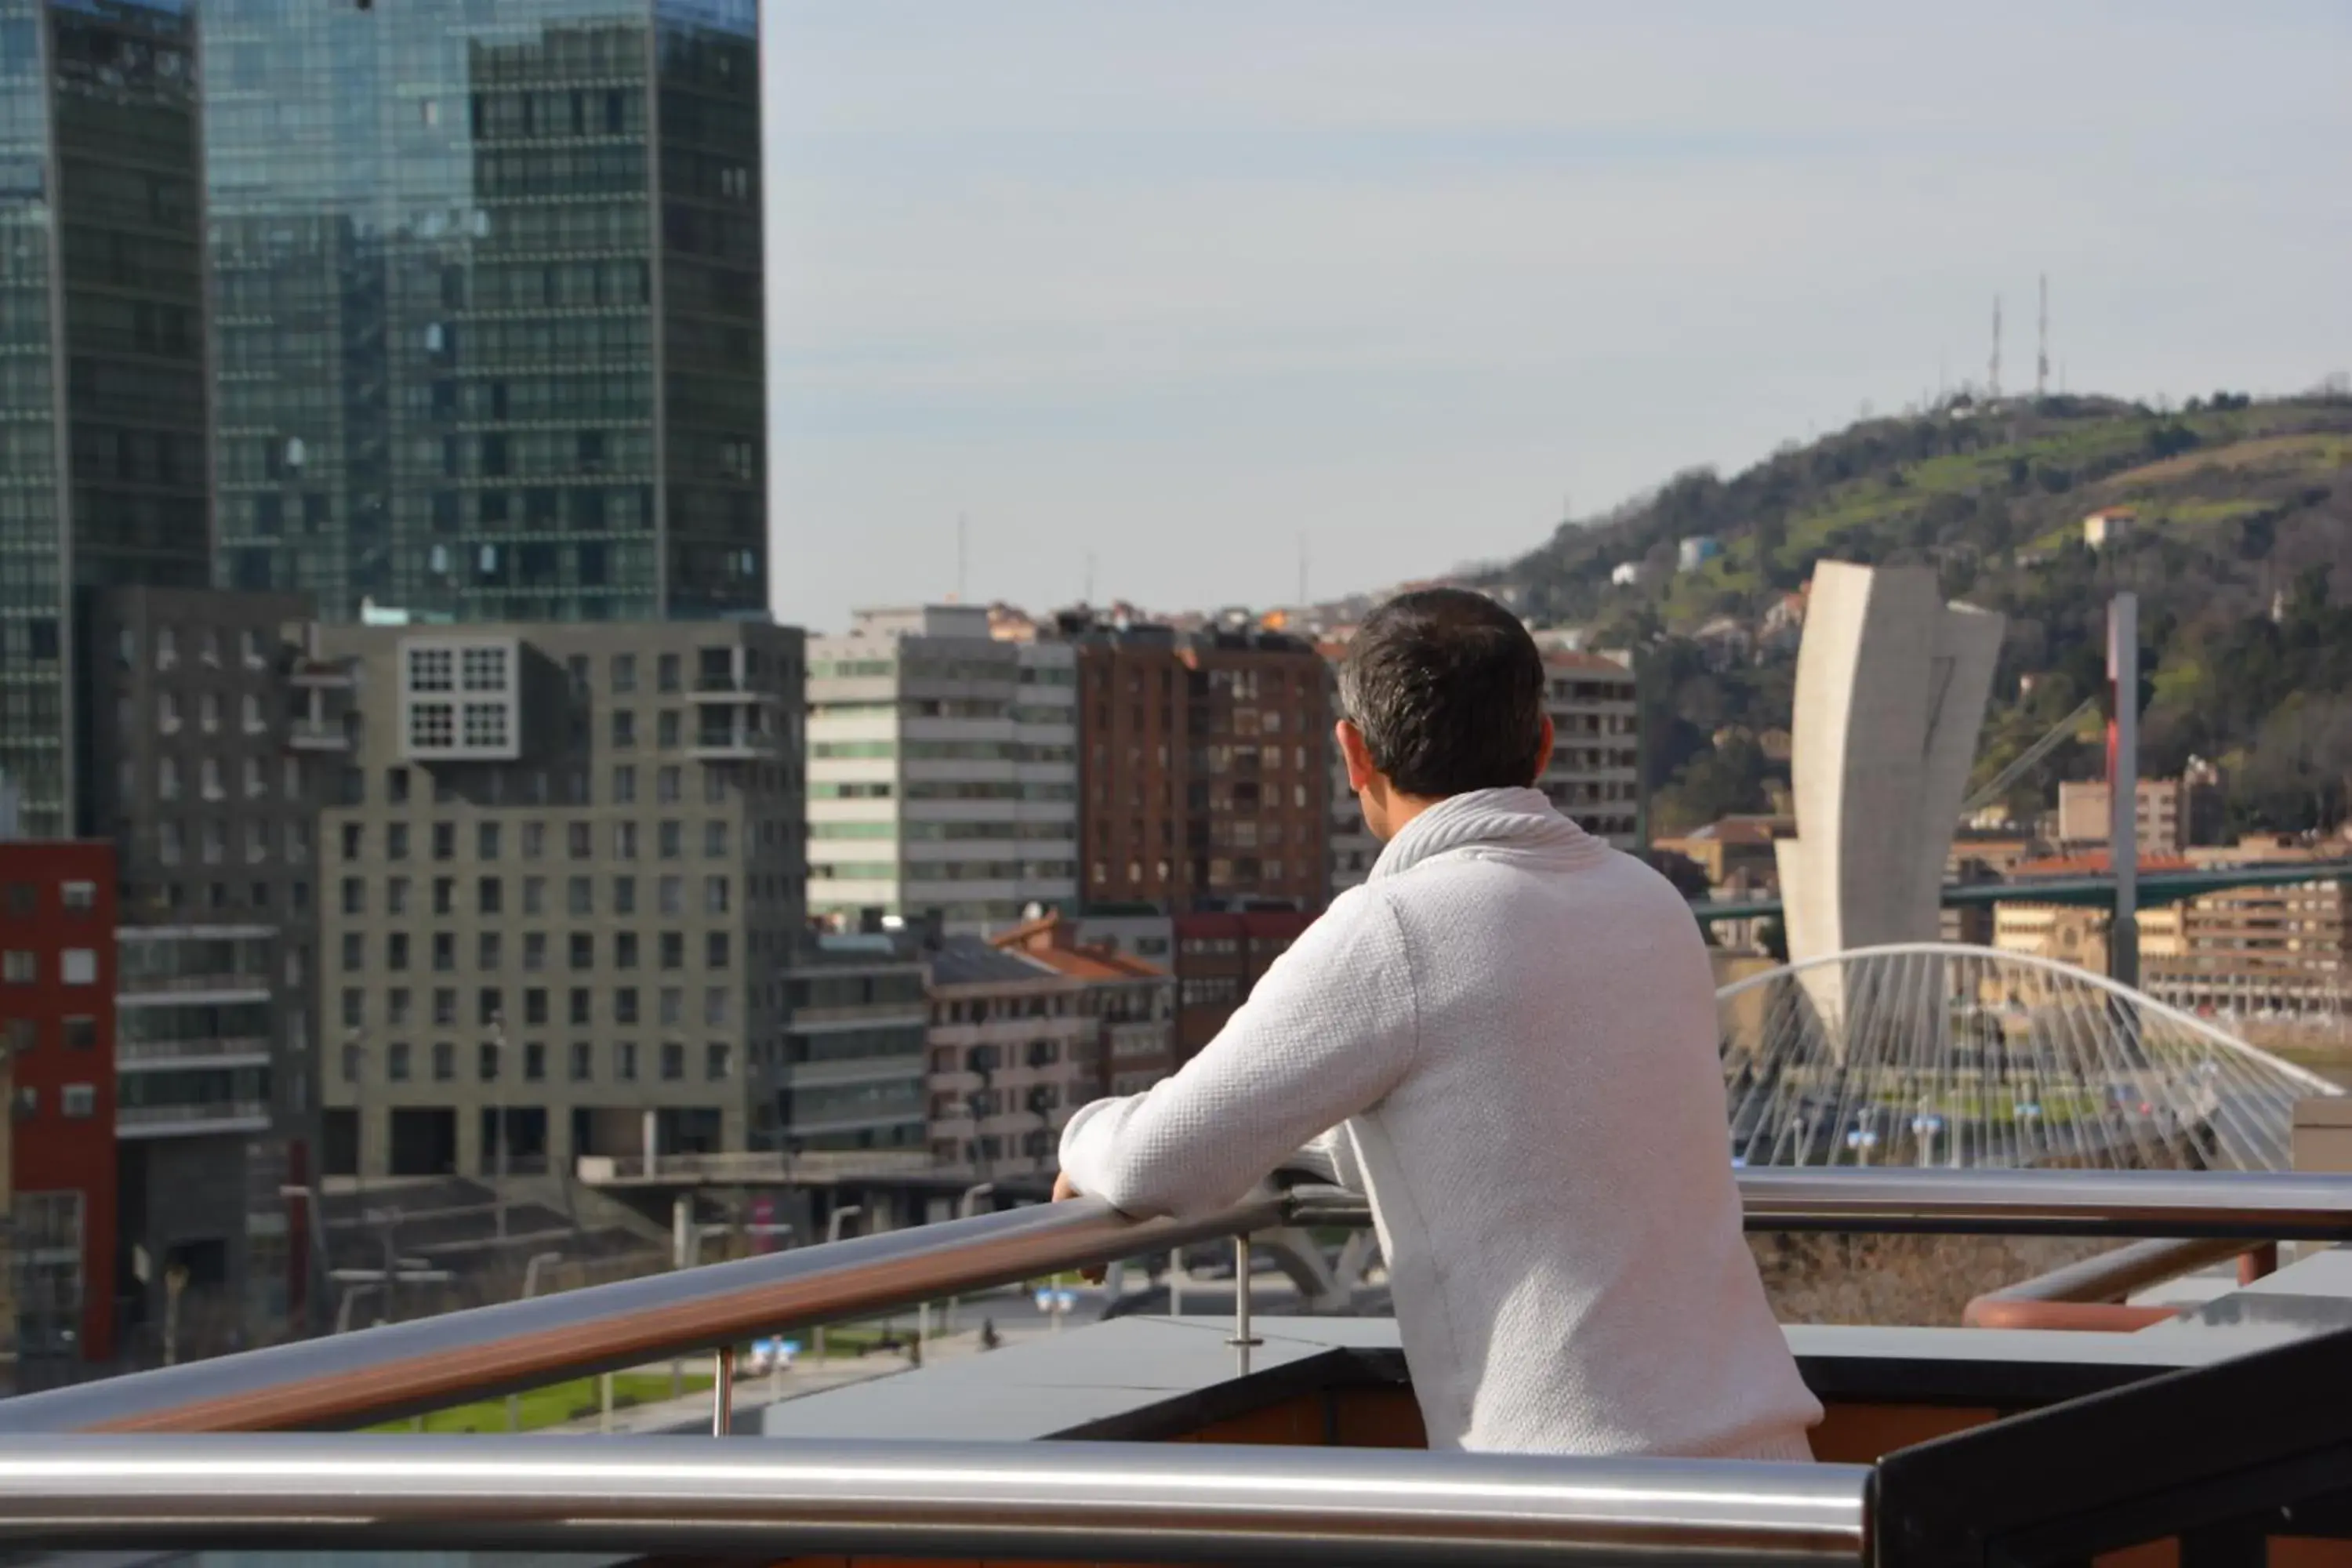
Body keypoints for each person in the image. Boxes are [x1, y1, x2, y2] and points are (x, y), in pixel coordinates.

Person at [1054, 587, 1820, 1461]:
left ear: (1352, 753)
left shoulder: (1394, 930)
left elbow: (1161, 1160)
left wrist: (1087, 1138)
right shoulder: (1653, 903)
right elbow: (1486, 1120)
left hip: (1576, 1501)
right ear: (1543, 742)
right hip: (1775, 1482)